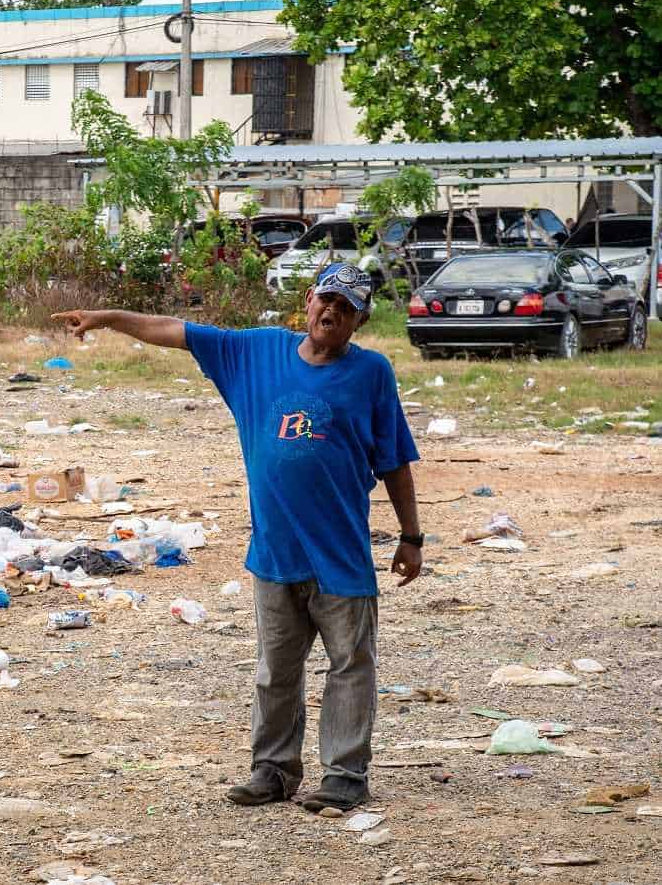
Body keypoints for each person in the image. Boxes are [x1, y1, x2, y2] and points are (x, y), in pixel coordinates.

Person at [52, 262, 423, 812]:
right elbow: (172, 330)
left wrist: (411, 536)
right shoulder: (256, 352)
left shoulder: (371, 373)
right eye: (327, 300)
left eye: (346, 308)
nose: (332, 314)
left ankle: (345, 776)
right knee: (276, 670)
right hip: (275, 552)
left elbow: (395, 460)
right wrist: (106, 318)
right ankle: (272, 770)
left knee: (350, 665)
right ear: (308, 300)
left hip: (341, 553)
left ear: (360, 319)